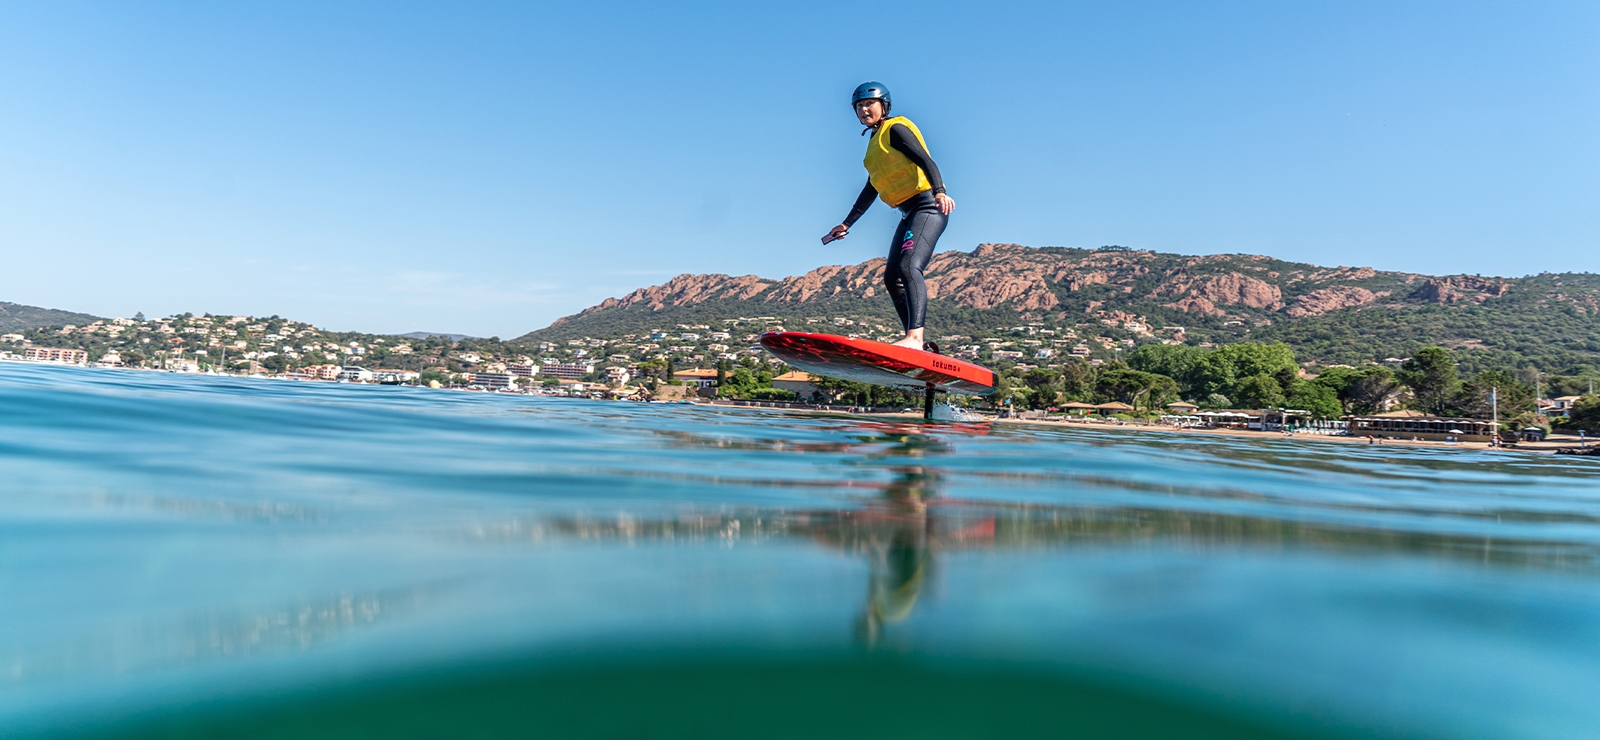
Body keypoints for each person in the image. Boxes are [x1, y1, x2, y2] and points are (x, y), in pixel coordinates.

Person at [824, 82, 955, 350]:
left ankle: (915, 338)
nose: (863, 110)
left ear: (883, 106)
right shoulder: (875, 144)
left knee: (909, 266)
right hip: (908, 212)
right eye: (858, 106)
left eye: (868, 104)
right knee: (891, 277)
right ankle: (921, 344)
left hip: (928, 206)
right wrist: (847, 223)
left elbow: (925, 160)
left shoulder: (894, 129)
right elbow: (872, 186)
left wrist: (940, 191)